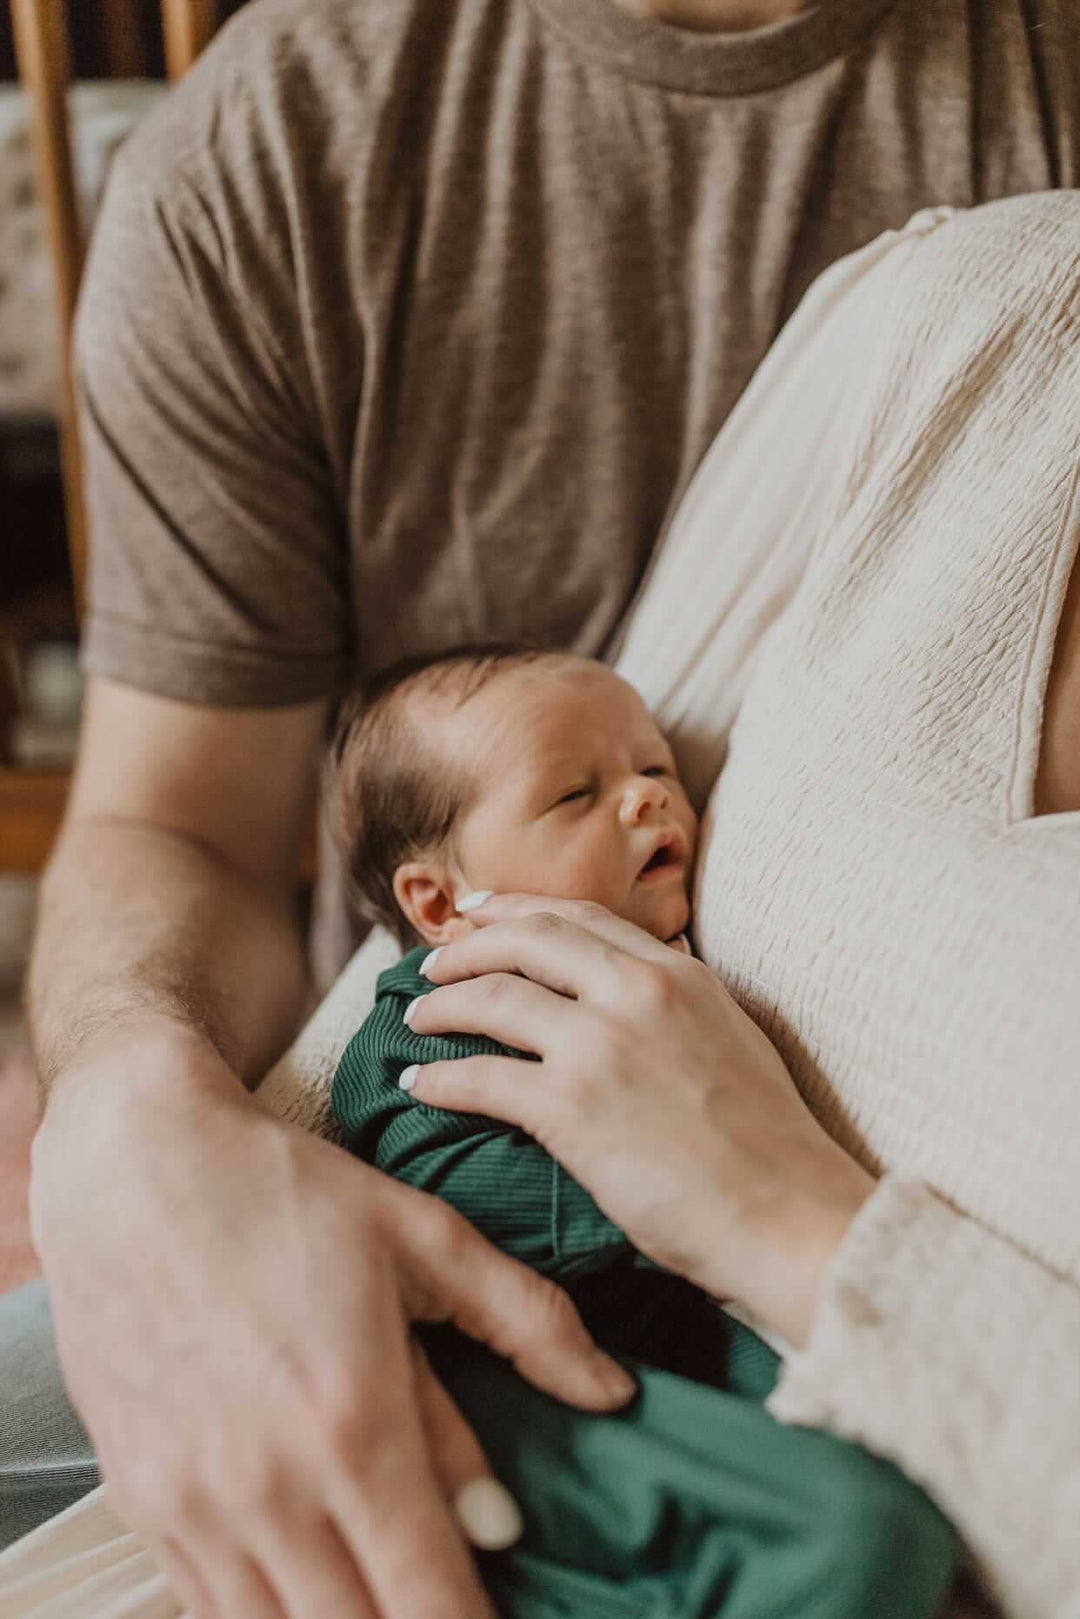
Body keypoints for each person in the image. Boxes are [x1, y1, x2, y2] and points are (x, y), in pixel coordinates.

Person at [2, 0, 1078, 1615]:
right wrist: (128, 1118)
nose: (651, 797)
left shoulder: (1025, 192)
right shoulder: (278, 145)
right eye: (587, 782)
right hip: (339, 1218)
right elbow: (186, 826)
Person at [326, 642, 960, 1618]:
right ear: (441, 902)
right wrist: (677, 1174)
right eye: (576, 794)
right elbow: (440, 1181)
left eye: (656, 767)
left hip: (664, 1356)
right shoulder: (436, 1012)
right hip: (506, 1399)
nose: (645, 800)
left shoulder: (673, 974)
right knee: (851, 1531)